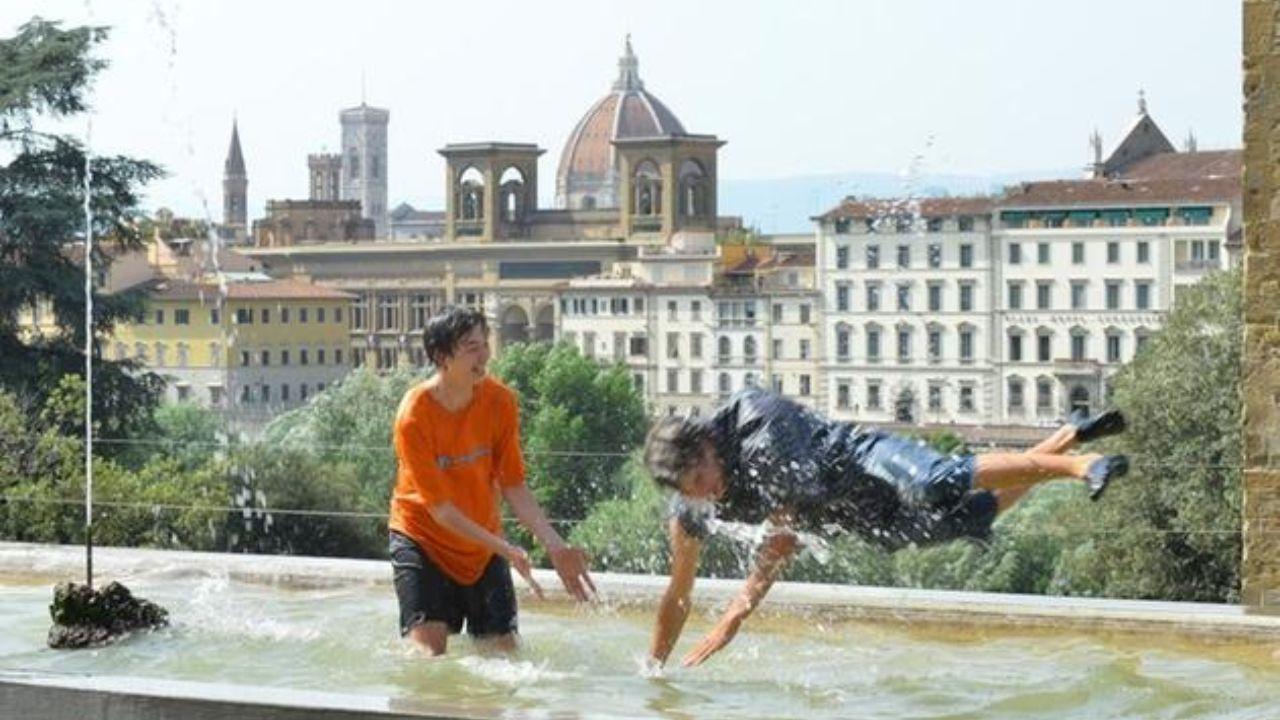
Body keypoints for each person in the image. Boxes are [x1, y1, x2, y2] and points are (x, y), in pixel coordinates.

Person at [643, 387, 1128, 668]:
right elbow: (678, 592)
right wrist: (655, 671)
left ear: (708, 443)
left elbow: (782, 537)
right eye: (690, 490)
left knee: (936, 481)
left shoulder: (758, 427)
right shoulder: (691, 506)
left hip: (867, 459)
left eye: (701, 478)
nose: (704, 493)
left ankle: (1082, 465)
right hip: (854, 513)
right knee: (971, 517)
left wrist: (734, 616)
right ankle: (1068, 435)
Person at [389, 306, 596, 656]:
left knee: (506, 657)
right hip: (423, 540)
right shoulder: (414, 416)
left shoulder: (500, 401)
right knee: (428, 659)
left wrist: (554, 544)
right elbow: (441, 511)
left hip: (483, 542)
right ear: (442, 356)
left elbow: (514, 484)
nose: (484, 354)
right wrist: (506, 549)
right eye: (471, 347)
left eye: (485, 343)